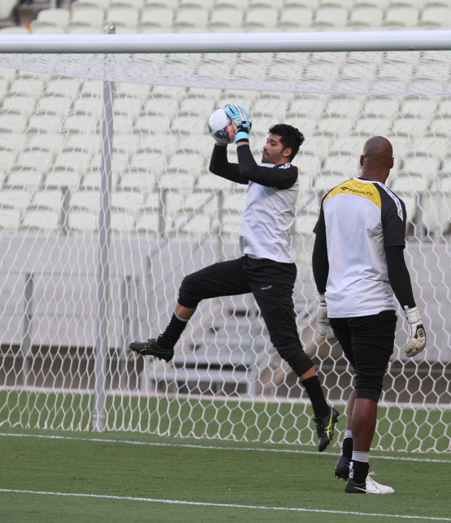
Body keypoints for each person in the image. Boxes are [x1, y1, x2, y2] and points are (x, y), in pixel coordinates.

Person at [130, 105, 339, 451]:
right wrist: (221, 139)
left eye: (271, 143)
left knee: (287, 347)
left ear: (285, 151)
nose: (264, 145)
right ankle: (166, 345)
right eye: (265, 141)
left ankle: (323, 412)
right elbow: (219, 166)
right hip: (251, 265)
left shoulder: (287, 174)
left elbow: (246, 167)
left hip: (273, 270)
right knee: (192, 285)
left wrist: (240, 133)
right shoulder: (261, 172)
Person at [312, 136, 427, 494]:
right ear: (391, 164)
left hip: (341, 308)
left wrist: (323, 304)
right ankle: (359, 478)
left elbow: (319, 256)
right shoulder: (390, 201)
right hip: (371, 307)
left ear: (361, 158)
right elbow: (395, 263)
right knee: (368, 387)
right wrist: (414, 317)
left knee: (361, 379)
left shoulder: (333, 195)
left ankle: (347, 456)